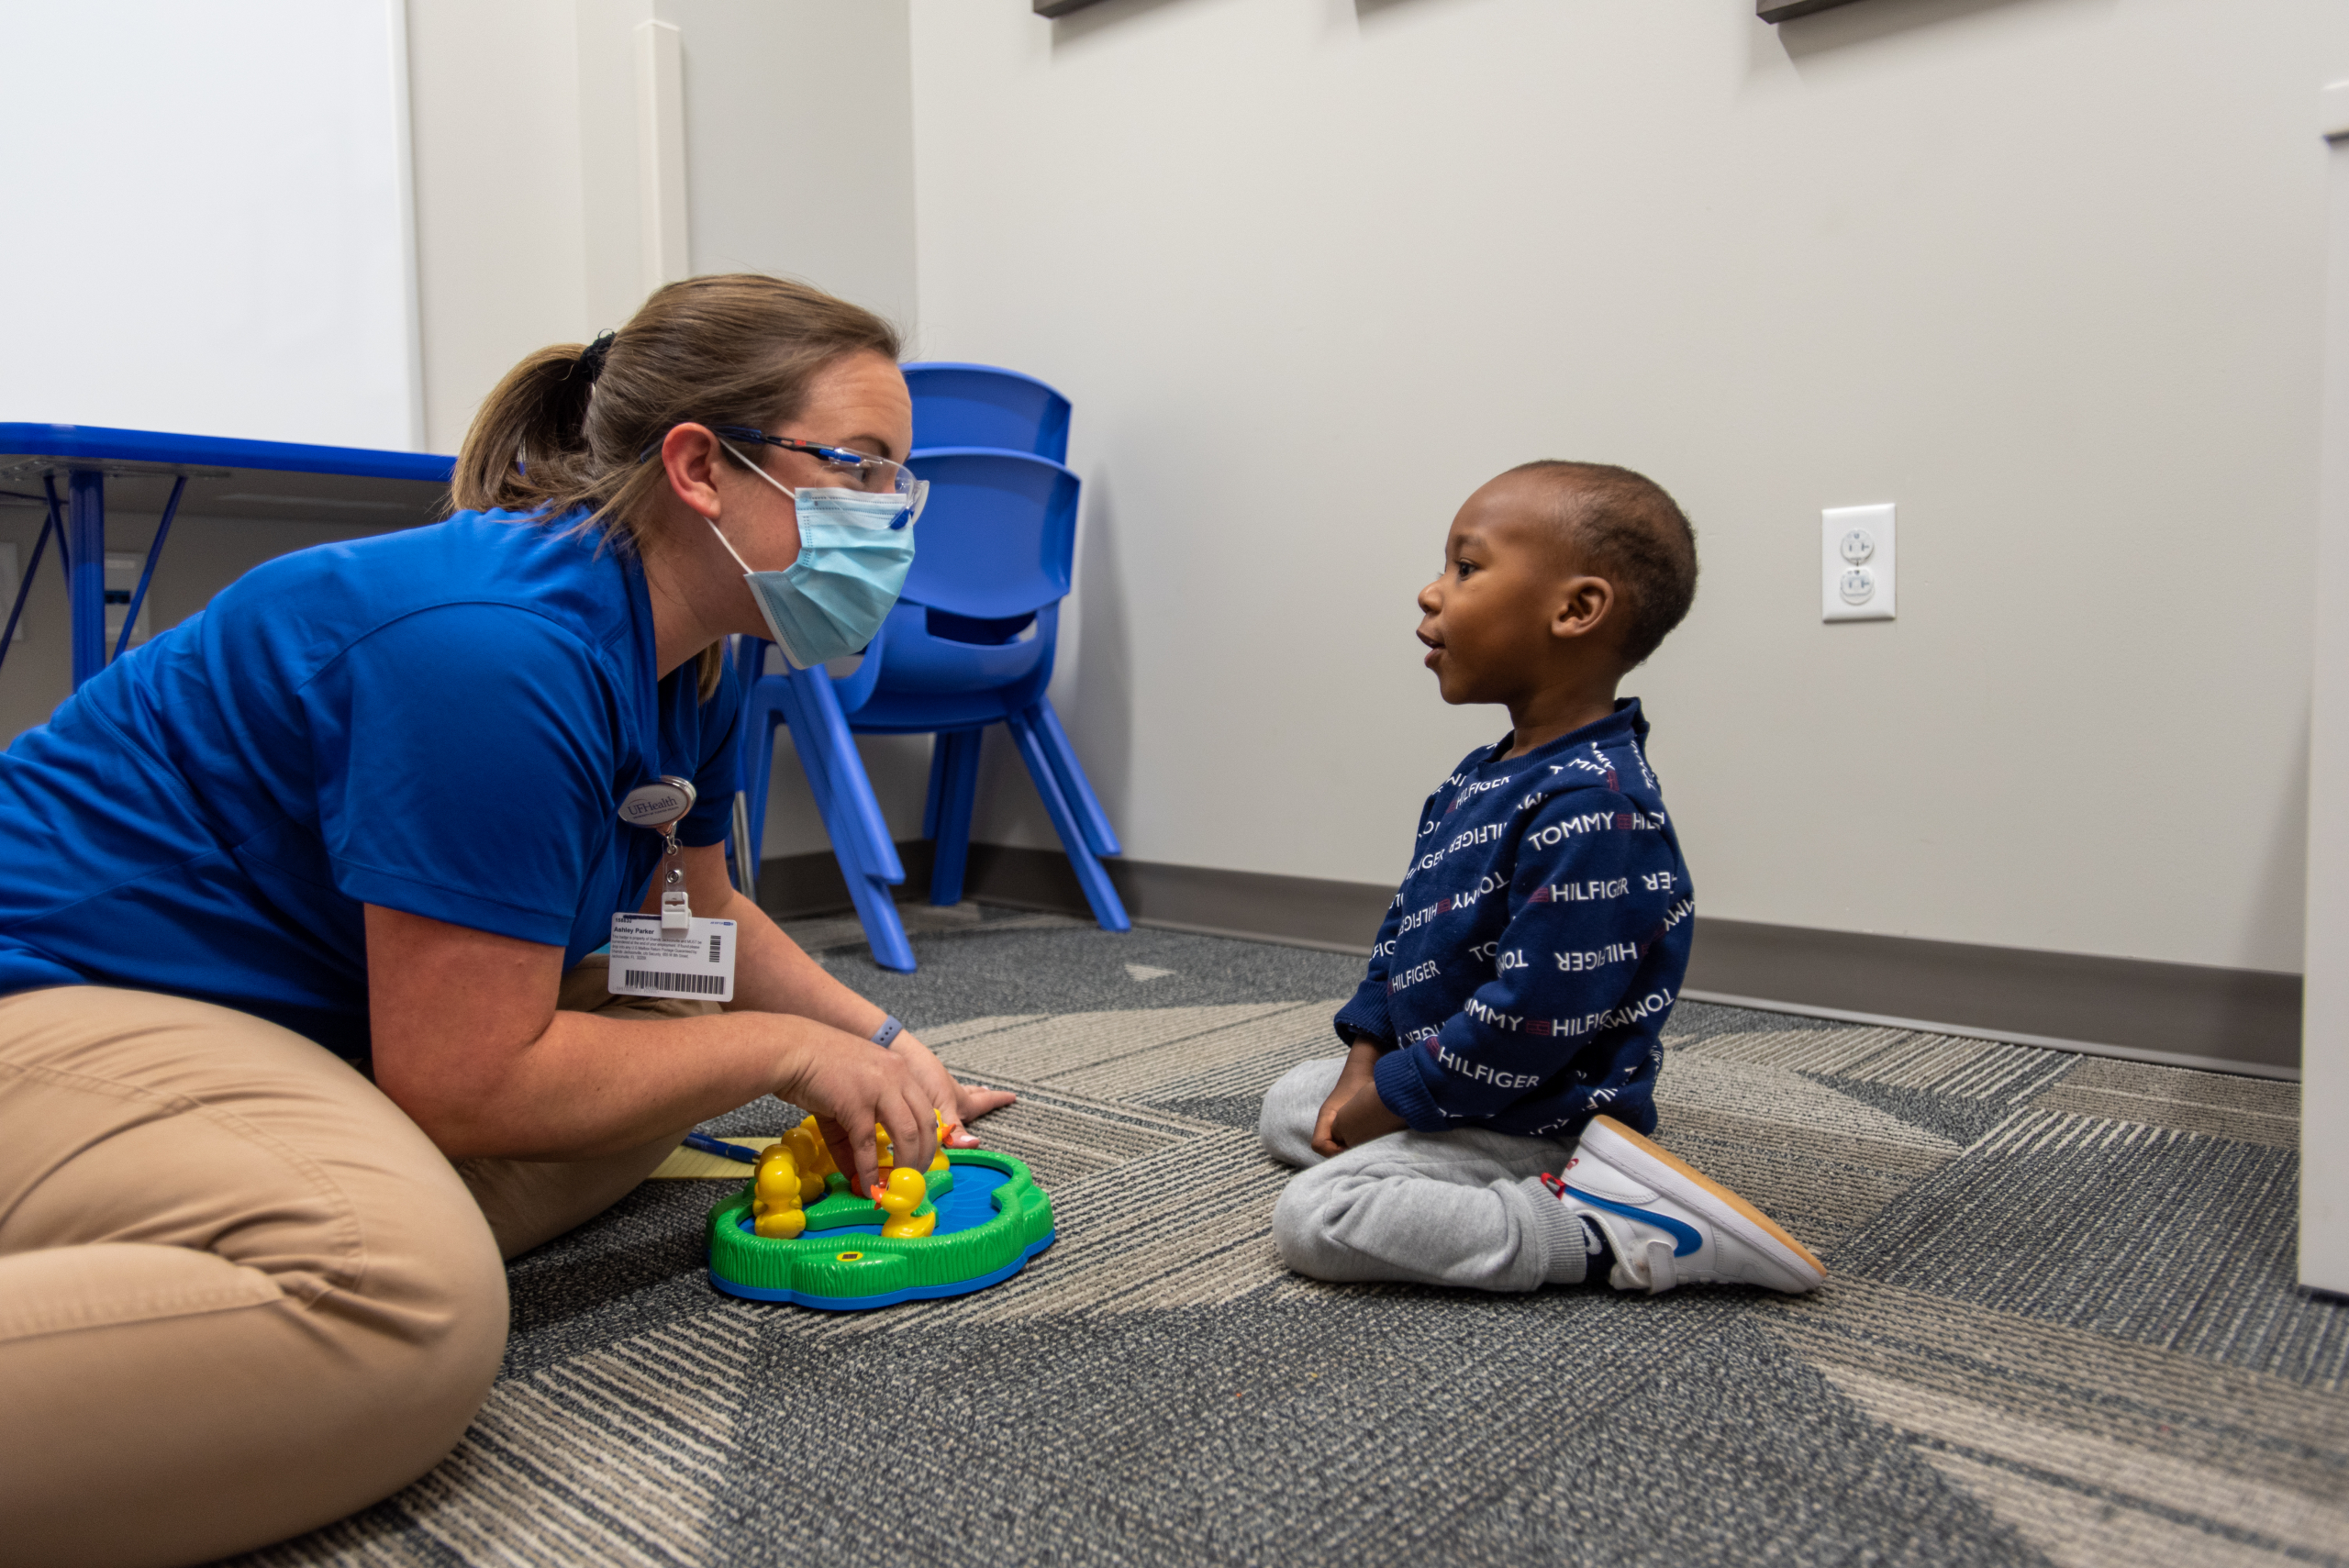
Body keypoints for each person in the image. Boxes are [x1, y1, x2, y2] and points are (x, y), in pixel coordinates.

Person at [0, 274, 1014, 1568]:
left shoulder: (695, 645)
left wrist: (879, 1033)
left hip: (284, 1005)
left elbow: (700, 919)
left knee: (653, 1049)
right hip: (55, 990)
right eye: (859, 470)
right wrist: (787, 1057)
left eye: (899, 483)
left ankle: (201, 1201)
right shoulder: (491, 652)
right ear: (702, 467)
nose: (890, 521)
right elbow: (471, 1079)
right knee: (399, 1300)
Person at [1257, 461, 1825, 1297]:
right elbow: (1401, 934)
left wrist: (1393, 1099)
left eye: (1467, 566)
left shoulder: (1600, 809)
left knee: (1316, 1219)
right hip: (1452, 1081)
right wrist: (1367, 1058)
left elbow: (1531, 1022)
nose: (1430, 591)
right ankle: (1438, 1160)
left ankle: (1605, 1224)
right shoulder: (1479, 776)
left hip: (1538, 1115)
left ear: (1576, 610)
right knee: (1289, 1102)